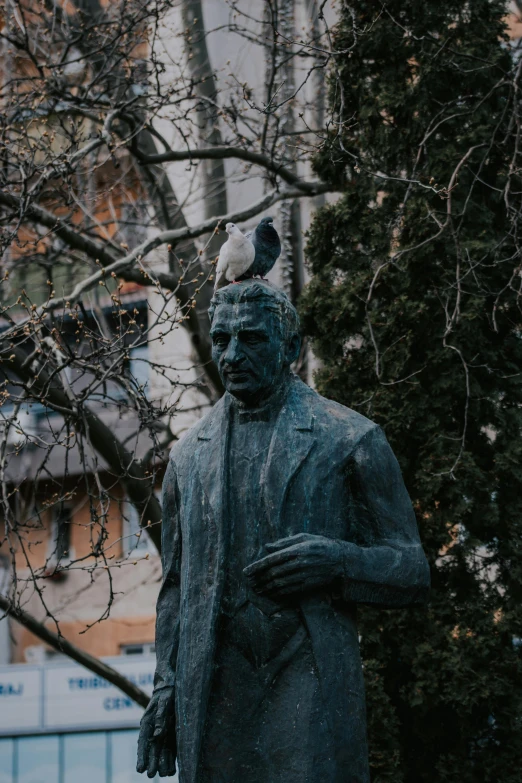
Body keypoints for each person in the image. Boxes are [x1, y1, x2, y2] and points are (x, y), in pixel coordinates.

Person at [137, 280, 430, 783]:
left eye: (250, 339)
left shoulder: (349, 438)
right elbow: (177, 588)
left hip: (307, 671)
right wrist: (166, 687)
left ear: (290, 348)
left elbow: (412, 568)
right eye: (221, 339)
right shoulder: (188, 457)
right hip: (215, 685)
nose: (231, 355)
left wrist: (337, 561)